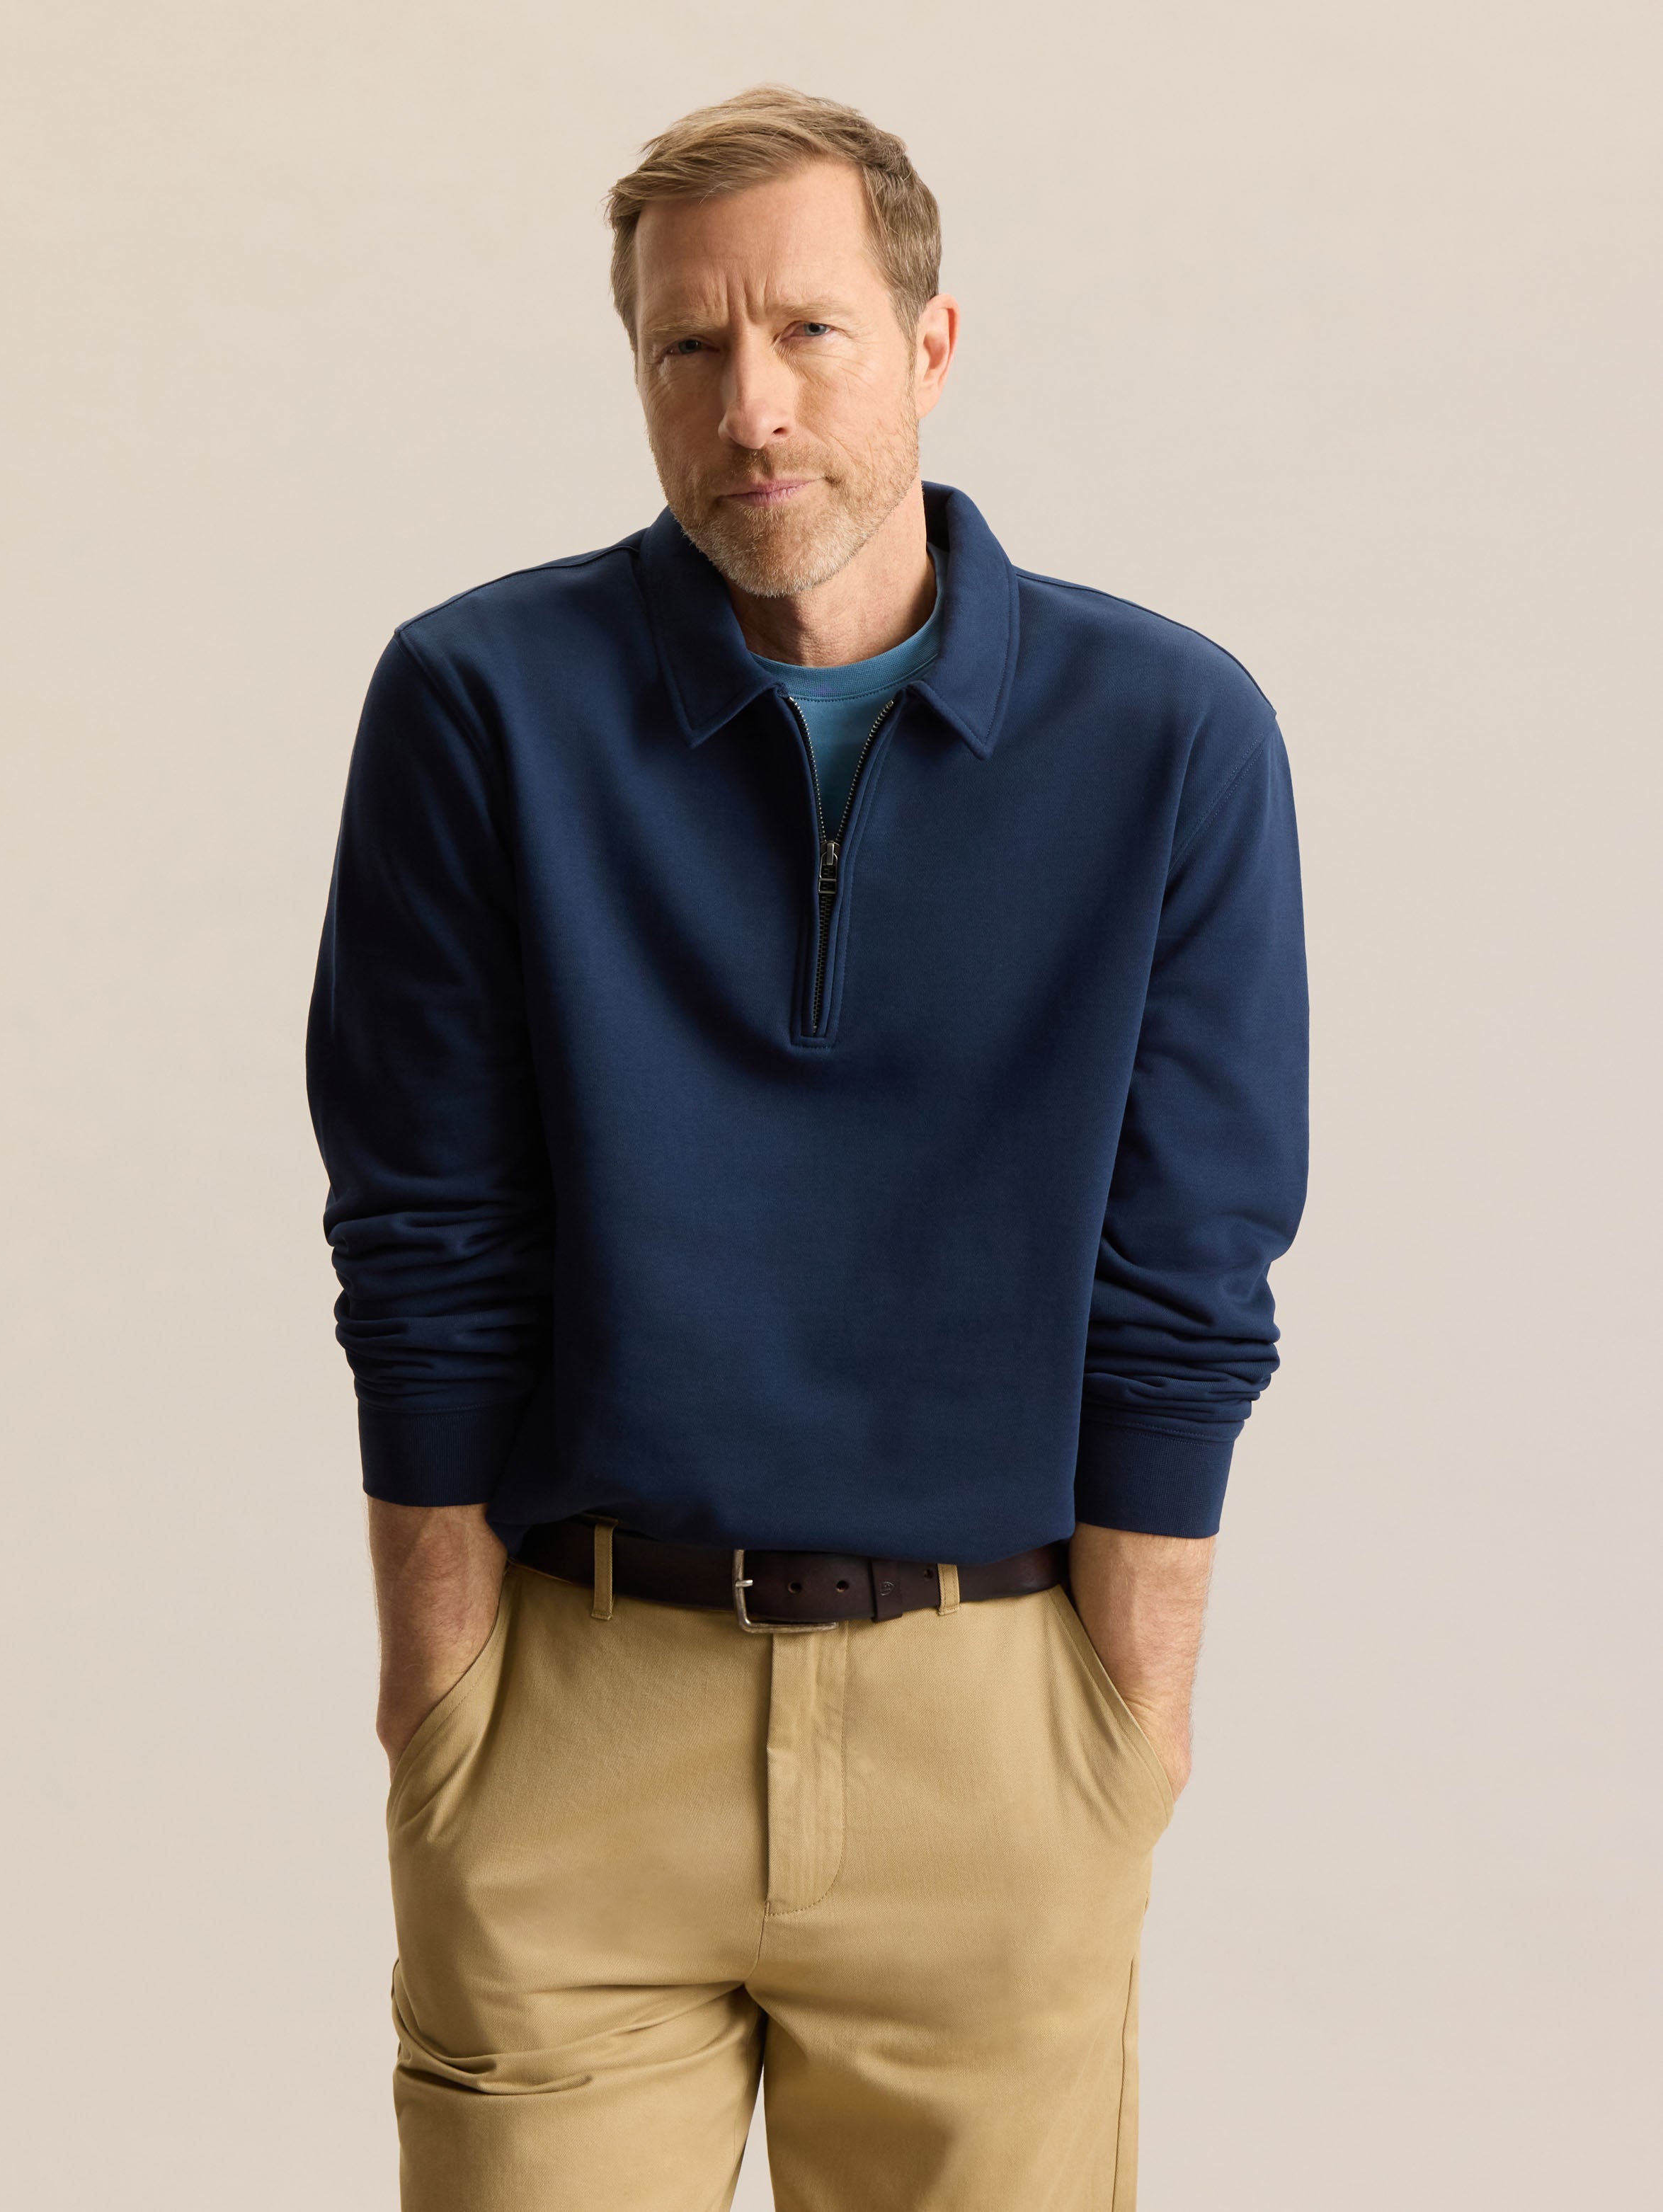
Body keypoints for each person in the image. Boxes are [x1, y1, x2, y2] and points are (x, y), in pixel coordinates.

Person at [306, 82, 1308, 2212]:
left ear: (930, 345)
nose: (748, 407)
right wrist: (443, 1701)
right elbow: (424, 1233)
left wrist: (1122, 1733)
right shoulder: (479, 702)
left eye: (808, 333)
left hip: (994, 1729)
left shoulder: (1170, 736)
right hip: (576, 1711)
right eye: (687, 345)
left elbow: (1189, 1266)